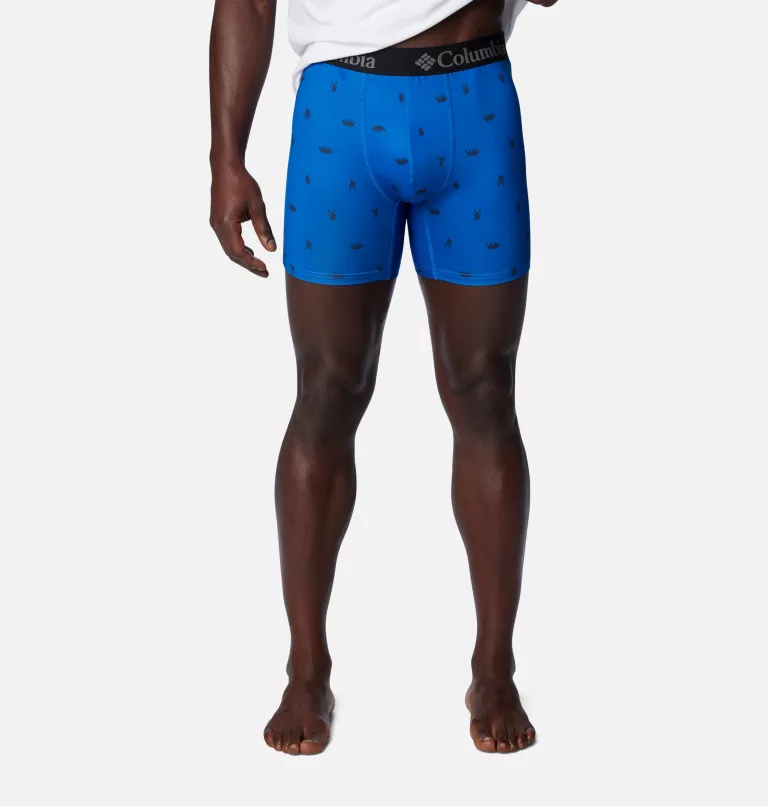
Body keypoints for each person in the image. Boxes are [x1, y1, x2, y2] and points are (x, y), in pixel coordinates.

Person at [209, 0, 560, 756]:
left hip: (475, 99)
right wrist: (226, 157)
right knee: (327, 391)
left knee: (485, 390)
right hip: (341, 107)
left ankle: (494, 668)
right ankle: (307, 670)